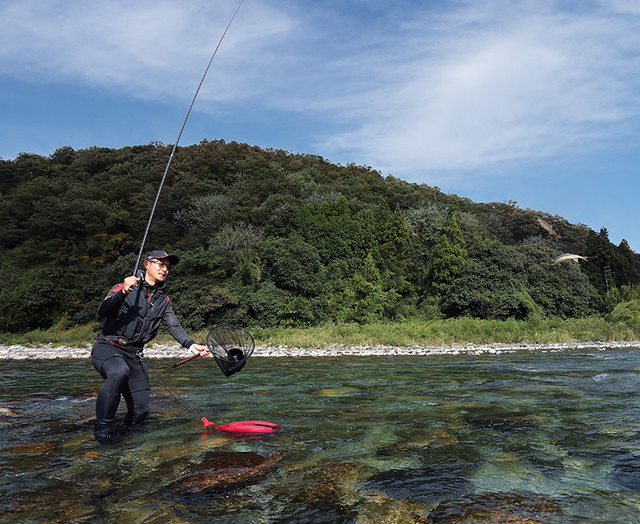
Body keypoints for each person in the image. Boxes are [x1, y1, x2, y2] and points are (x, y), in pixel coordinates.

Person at [91, 249, 209, 444]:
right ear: (147, 264)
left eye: (168, 267)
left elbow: (173, 325)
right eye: (160, 264)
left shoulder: (163, 300)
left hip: (134, 354)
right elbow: (102, 311)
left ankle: (126, 435)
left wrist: (191, 345)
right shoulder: (123, 286)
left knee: (141, 410)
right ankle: (103, 430)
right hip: (108, 347)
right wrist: (122, 292)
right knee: (119, 372)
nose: (165, 269)